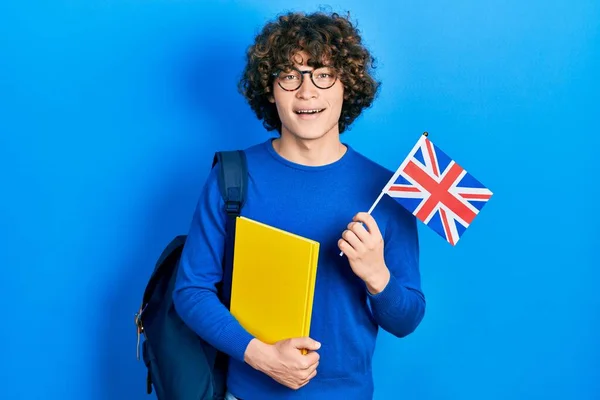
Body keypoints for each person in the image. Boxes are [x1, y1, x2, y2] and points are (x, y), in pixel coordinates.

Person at [173, 10, 425, 400]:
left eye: (323, 74)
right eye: (290, 76)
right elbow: (191, 291)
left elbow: (407, 319)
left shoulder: (388, 191)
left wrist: (378, 276)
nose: (307, 92)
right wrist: (260, 356)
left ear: (348, 85)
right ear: (270, 90)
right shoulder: (232, 176)